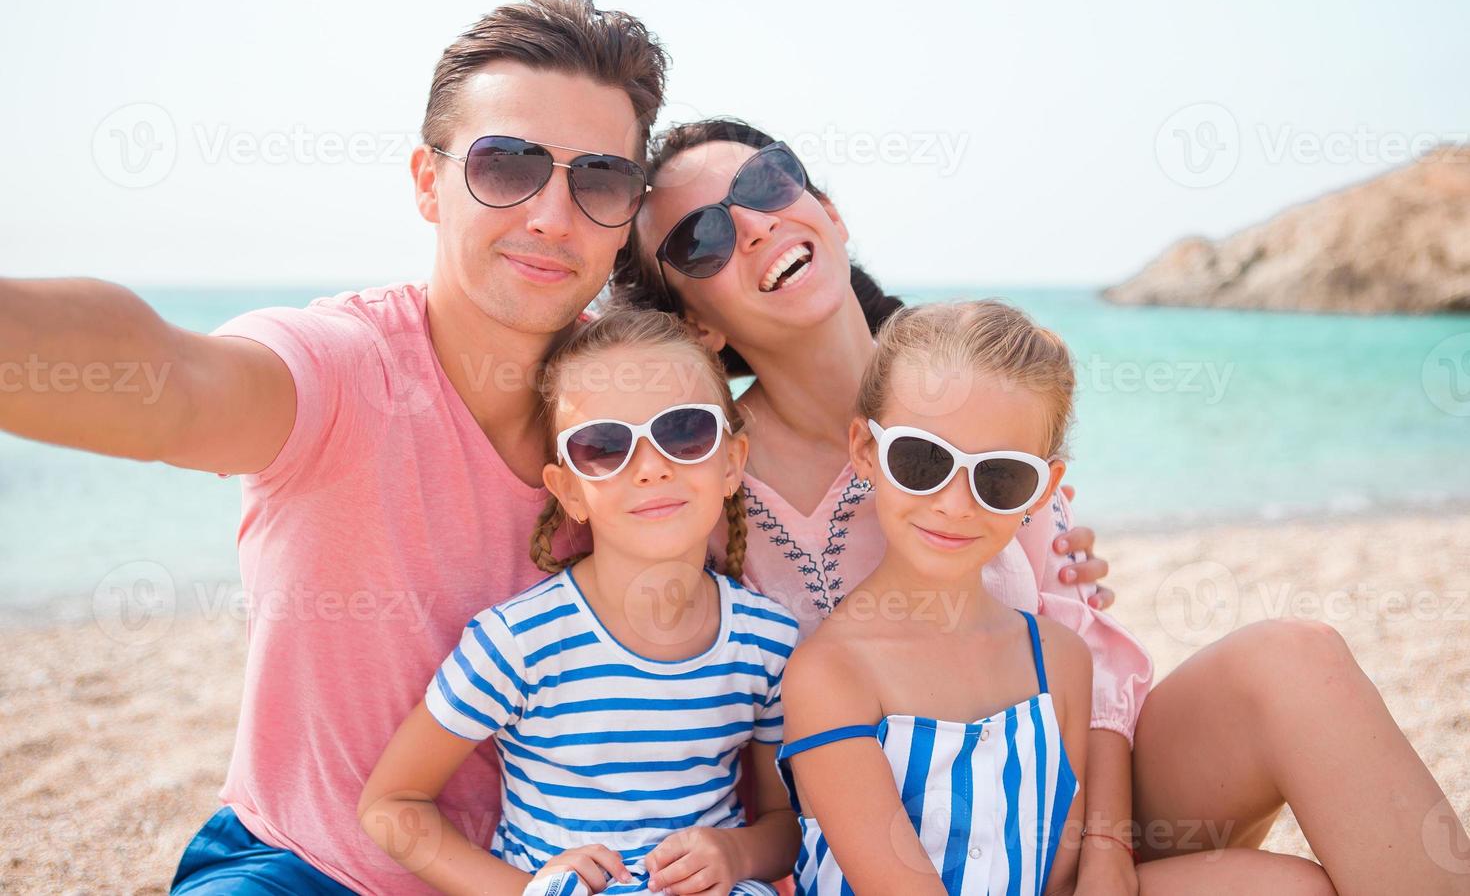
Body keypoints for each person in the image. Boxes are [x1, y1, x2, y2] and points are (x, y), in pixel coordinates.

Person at [614, 119, 1470, 894]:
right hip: (870, 854)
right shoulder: (698, 474)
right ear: (697, 327)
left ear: (830, 212)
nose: (754, 224)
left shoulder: (974, 394)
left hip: (1067, 805)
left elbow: (1084, 653)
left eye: (766, 184)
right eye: (702, 240)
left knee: (1296, 658)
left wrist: (1103, 848)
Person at [0, 0, 672, 895]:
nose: (552, 215)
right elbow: (170, 384)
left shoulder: (649, 410)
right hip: (307, 867)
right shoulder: (344, 370)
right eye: (508, 166)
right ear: (429, 184)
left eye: (597, 178)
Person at [779, 299, 1336, 894]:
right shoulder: (829, 675)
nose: (955, 501)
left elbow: (1055, 874)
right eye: (922, 460)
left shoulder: (1061, 662)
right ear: (866, 449)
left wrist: (1107, 852)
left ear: (1042, 489)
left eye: (999, 476)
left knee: (1291, 883)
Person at [359, 309, 800, 895]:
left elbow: (784, 824)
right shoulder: (519, 642)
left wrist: (735, 853)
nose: (650, 468)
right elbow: (391, 804)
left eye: (684, 431)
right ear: (570, 491)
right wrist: (525, 891)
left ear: (731, 463)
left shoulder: (767, 640)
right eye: (604, 446)